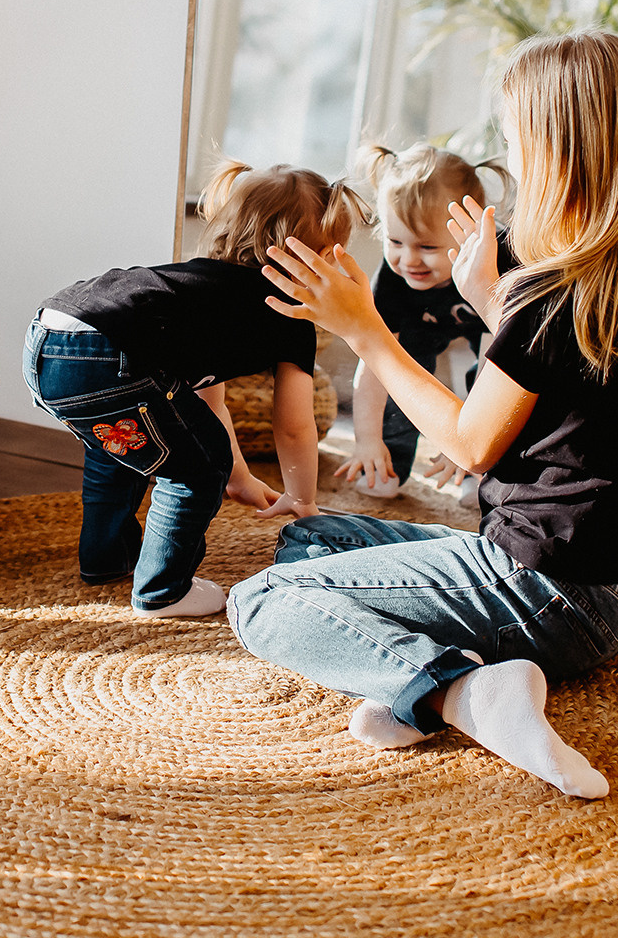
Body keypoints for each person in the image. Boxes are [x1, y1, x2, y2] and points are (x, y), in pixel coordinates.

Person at [229, 31, 618, 798]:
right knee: (312, 540)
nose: (511, 164)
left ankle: (456, 689)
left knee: (265, 599)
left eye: (516, 141)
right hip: (607, 591)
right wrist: (487, 299)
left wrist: (365, 332)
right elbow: (557, 398)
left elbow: (472, 443)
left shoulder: (552, 292)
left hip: (539, 588)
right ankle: (457, 668)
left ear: (558, 150)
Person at [25, 162, 367, 618]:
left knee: (120, 453)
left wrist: (240, 478)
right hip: (107, 351)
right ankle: (163, 592)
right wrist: (302, 498)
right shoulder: (288, 313)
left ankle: (106, 560)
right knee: (198, 470)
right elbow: (293, 426)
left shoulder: (200, 290)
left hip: (49, 338)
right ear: (318, 257)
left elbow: (208, 406)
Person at [337, 144, 512, 500]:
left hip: (491, 325)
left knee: (505, 396)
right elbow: (375, 362)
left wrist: (468, 444)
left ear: (471, 233)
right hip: (419, 322)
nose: (408, 260)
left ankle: (484, 477)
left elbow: (498, 365)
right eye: (395, 241)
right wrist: (366, 440)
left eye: (427, 247)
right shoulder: (393, 279)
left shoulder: (499, 262)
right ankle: (384, 463)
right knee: (402, 370)